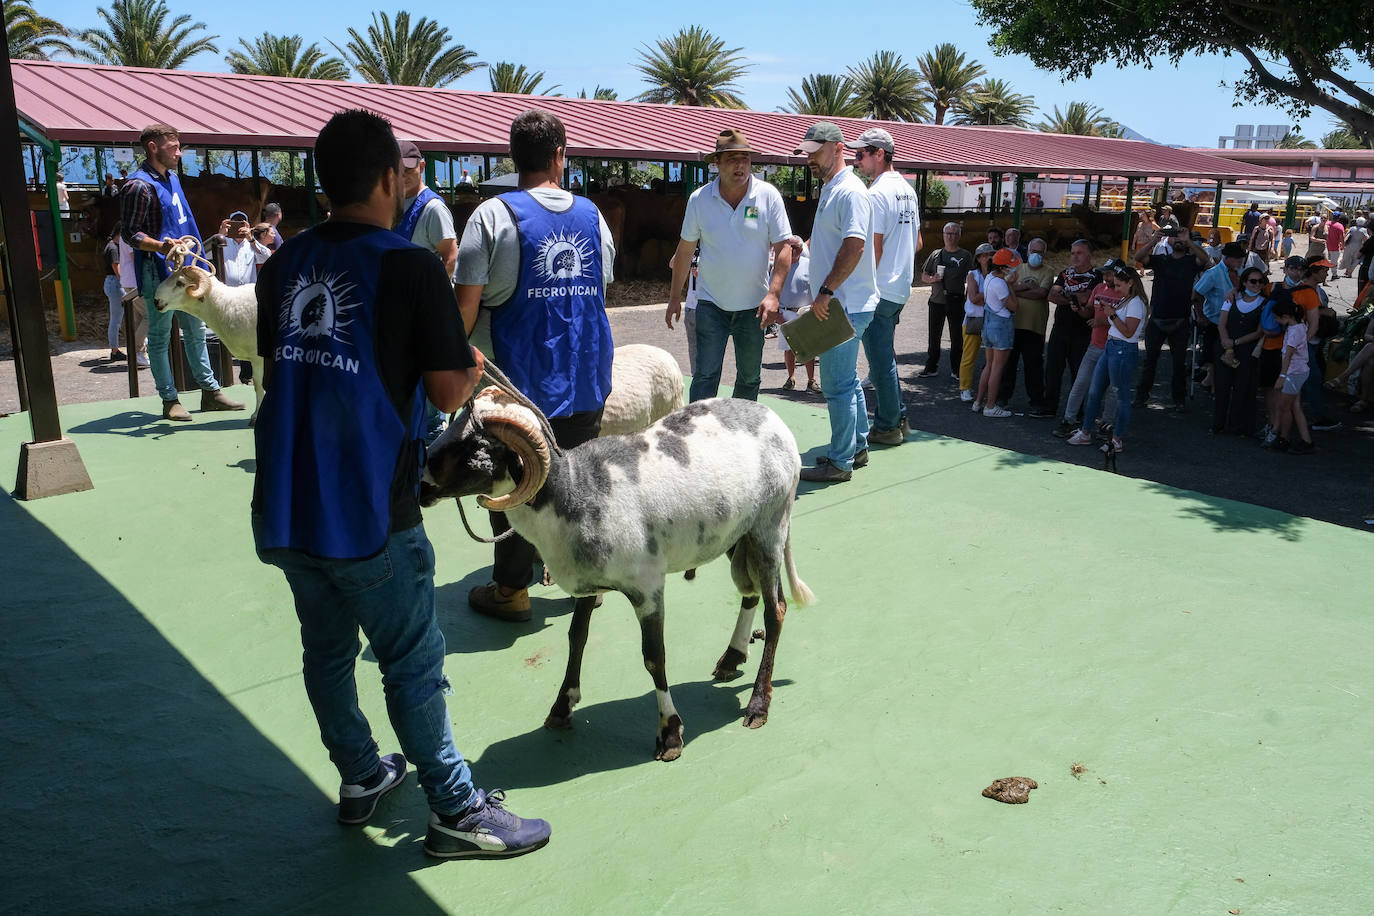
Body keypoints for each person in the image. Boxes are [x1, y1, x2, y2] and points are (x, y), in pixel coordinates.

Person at [252, 109, 549, 860]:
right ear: (390, 179)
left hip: (288, 503)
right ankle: (455, 809)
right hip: (370, 511)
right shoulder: (408, 264)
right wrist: (471, 367)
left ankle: (360, 775)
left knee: (325, 650)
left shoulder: (280, 264)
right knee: (411, 659)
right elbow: (449, 393)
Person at [456, 108, 616, 620]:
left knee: (516, 485)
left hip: (519, 386)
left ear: (513, 157)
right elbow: (602, 284)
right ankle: (583, 577)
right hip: (586, 374)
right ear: (559, 156)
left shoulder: (491, 216)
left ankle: (511, 591)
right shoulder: (592, 215)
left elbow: (465, 307)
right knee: (581, 481)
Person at [119, 122, 244, 421]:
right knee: (160, 337)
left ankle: (210, 392)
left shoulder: (172, 178)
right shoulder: (138, 185)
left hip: (186, 269)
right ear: (153, 147)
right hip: (157, 272)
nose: (179, 152)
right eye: (173, 147)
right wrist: (160, 246)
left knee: (195, 329)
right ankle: (169, 399)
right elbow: (129, 234)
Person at [666, 129, 791, 404]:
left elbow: (784, 248)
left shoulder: (768, 196)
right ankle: (697, 437)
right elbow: (685, 250)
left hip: (753, 307)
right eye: (733, 159)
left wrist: (774, 294)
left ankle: (742, 438)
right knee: (705, 377)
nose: (741, 165)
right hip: (711, 304)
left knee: (749, 379)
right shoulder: (699, 199)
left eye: (745, 159)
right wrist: (675, 297)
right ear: (717, 163)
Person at [792, 121, 879, 483]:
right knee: (848, 381)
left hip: (843, 303)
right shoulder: (834, 188)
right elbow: (836, 240)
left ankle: (841, 462)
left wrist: (825, 292)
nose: (809, 157)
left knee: (837, 385)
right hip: (846, 302)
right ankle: (856, 448)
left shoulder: (850, 191)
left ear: (838, 147)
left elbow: (855, 245)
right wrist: (808, 247)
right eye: (807, 151)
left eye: (816, 150)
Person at [847, 127, 917, 445]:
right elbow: (916, 242)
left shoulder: (875, 194)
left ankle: (888, 425)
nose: (856, 160)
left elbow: (872, 249)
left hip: (880, 290)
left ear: (879, 154)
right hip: (900, 286)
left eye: (861, 154)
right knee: (884, 357)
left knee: (880, 362)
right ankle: (897, 417)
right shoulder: (907, 189)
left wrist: (859, 286)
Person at [396, 140, 461, 442]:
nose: (404, 176)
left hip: (425, 319)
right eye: (398, 171)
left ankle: (430, 466)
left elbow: (450, 257)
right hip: (401, 320)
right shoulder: (396, 204)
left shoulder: (432, 208)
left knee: (431, 403)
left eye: (409, 170)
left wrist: (429, 298)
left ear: (421, 168)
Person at [1067, 263, 1148, 452]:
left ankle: (1117, 440)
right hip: (1110, 347)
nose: (1116, 289)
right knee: (1094, 392)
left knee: (1121, 396)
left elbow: (1128, 332)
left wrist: (1112, 315)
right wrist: (1112, 313)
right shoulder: (1126, 299)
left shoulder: (1136, 303)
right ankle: (1086, 432)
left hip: (1123, 350)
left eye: (1119, 285)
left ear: (1130, 283)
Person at [1132, 224, 1209, 410]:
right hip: (1157, 318)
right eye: (1174, 237)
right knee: (1149, 362)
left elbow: (1205, 259)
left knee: (1179, 364)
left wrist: (1188, 240)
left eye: (1180, 236)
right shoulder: (1161, 260)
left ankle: (1179, 399)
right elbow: (1138, 258)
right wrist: (1153, 240)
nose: (1178, 240)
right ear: (1169, 240)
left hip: (1180, 320)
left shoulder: (1191, 261)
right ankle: (1141, 397)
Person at [1054, 260, 1122, 439]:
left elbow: (1129, 321)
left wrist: (1103, 322)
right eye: (1104, 274)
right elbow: (1089, 312)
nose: (1106, 278)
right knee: (1080, 383)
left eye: (1109, 274)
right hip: (1095, 345)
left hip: (1116, 348)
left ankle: (1106, 425)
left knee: (1111, 389)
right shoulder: (1099, 288)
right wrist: (1078, 309)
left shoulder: (1126, 293)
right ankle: (1068, 420)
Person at [1044, 239, 1101, 426]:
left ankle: (1078, 411)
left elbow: (1088, 298)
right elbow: (1052, 295)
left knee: (1079, 374)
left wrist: (1067, 295)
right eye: (1073, 253)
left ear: (1089, 255)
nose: (1075, 256)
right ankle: (1049, 407)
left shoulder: (1096, 276)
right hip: (1060, 329)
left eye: (1080, 253)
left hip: (1083, 332)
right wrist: (1074, 298)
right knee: (1053, 369)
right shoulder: (1064, 273)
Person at [1000, 236, 1055, 415]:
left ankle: (1037, 401)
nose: (1036, 255)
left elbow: (1041, 293)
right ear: (1028, 251)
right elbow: (1007, 288)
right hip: (1014, 325)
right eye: (1033, 251)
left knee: (1034, 366)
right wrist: (1026, 287)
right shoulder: (1018, 269)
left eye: (1040, 252)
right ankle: (1002, 398)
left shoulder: (1048, 271)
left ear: (1044, 254)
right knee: (1009, 365)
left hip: (1035, 327)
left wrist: (1020, 288)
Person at [1211, 265, 1266, 435]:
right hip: (1224, 347)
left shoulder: (1264, 303)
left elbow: (1259, 332)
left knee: (1244, 389)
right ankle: (1218, 424)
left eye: (1260, 281)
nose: (1257, 285)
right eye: (1253, 281)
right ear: (1244, 282)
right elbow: (1221, 323)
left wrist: (1234, 342)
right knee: (1222, 388)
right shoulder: (1232, 298)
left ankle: (1238, 426)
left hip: (1246, 351)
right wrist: (1226, 341)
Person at [1193, 241, 1248, 392]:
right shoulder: (1213, 273)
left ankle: (1210, 381)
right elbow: (1197, 294)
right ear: (1227, 258)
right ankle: (1215, 385)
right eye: (1237, 259)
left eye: (1241, 259)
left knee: (1231, 353)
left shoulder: (1242, 272)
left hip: (1236, 320)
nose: (1240, 261)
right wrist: (1201, 316)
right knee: (1215, 354)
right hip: (1215, 320)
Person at [919, 223, 971, 380]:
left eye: (955, 233)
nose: (951, 236)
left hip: (956, 300)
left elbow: (972, 277)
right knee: (934, 336)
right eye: (948, 233)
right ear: (943, 235)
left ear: (959, 236)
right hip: (936, 301)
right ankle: (931, 366)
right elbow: (923, 275)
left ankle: (956, 369)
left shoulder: (965, 255)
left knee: (957, 337)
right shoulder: (936, 254)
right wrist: (932, 279)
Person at [973, 248, 1018, 417]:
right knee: (997, 367)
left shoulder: (990, 277)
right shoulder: (1001, 283)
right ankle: (990, 406)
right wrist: (1011, 285)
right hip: (1000, 326)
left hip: (989, 324)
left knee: (990, 365)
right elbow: (1014, 306)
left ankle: (978, 402)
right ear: (1005, 268)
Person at [1271, 298, 1315, 453]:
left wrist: (1281, 377)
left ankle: (1284, 438)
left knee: (1284, 407)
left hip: (1293, 373)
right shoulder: (1300, 326)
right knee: (1294, 407)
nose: (1276, 320)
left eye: (1276, 317)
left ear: (1285, 316)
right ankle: (1305, 440)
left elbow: (1288, 356)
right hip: (1298, 371)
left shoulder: (1294, 331)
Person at [777, 241, 818, 392]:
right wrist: (776, 314)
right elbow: (772, 288)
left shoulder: (809, 264)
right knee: (789, 349)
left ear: (802, 249)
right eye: (791, 247)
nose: (794, 251)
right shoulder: (779, 264)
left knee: (808, 348)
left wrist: (815, 306)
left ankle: (811, 380)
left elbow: (816, 285)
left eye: (797, 248)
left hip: (805, 312)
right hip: (785, 312)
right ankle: (791, 378)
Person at [959, 243, 994, 401]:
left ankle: (988, 388)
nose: (988, 258)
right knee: (969, 356)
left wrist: (983, 296)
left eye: (991, 254)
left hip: (992, 320)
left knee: (992, 357)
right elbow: (973, 298)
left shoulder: (996, 274)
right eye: (985, 255)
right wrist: (991, 296)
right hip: (974, 320)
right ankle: (964, 388)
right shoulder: (972, 274)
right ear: (978, 258)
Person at [102, 226, 127, 361]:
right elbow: (117, 270)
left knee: (116, 319)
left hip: (111, 283)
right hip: (116, 284)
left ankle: (115, 349)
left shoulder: (110, 246)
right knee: (116, 320)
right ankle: (114, 351)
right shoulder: (113, 248)